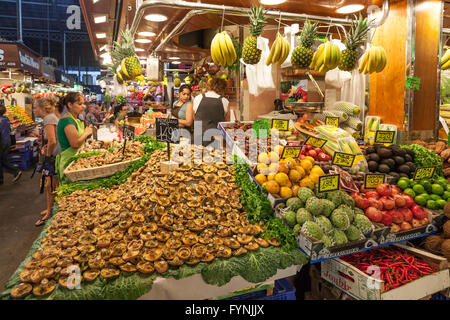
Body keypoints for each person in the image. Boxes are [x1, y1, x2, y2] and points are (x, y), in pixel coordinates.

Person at [33, 98, 60, 226]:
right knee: (51, 185)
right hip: (55, 156)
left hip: (53, 157)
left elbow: (53, 141)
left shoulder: (49, 118)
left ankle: (50, 212)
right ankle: (51, 208)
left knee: (50, 185)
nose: (33, 110)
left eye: (35, 107)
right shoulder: (51, 117)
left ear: (42, 108)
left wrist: (47, 155)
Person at [56, 92, 93, 183]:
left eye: (84, 103)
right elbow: (75, 144)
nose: (83, 106)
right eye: (80, 104)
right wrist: (86, 132)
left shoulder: (76, 119)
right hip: (69, 161)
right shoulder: (67, 120)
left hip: (76, 160)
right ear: (70, 104)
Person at [193, 78, 229, 146]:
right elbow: (227, 122)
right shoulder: (224, 101)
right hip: (216, 139)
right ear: (222, 88)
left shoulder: (198, 98)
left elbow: (194, 116)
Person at [0, 105, 22, 185]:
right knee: (3, 159)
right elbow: (10, 130)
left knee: (2, 160)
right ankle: (2, 179)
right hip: (7, 141)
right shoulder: (6, 119)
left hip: (1, 142)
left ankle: (16, 171)